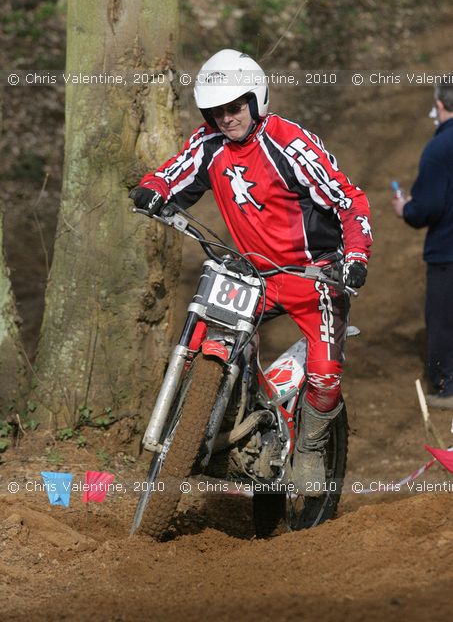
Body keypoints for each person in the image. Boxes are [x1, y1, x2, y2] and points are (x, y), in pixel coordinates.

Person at [131, 49, 372, 493]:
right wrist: (152, 188)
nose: (226, 118)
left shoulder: (291, 144)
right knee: (211, 333)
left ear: (256, 99)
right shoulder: (208, 145)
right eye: (216, 110)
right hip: (250, 275)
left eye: (235, 106)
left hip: (311, 276)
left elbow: (348, 200)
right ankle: (215, 423)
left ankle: (313, 448)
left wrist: (355, 255)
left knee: (324, 374)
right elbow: (173, 174)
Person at [392, 84, 453, 410]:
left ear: (440, 103)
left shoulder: (439, 147)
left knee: (443, 321)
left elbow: (426, 207)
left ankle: (446, 389)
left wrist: (406, 208)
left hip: (447, 251)